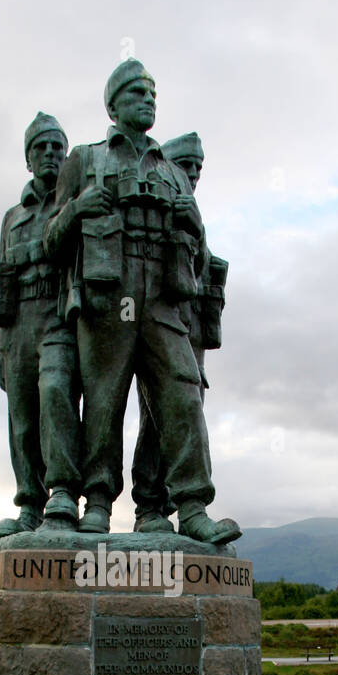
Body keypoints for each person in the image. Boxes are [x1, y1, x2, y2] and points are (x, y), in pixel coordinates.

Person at [42, 60, 240, 544]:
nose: (147, 100)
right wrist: (74, 210)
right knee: (104, 400)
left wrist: (194, 220)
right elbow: (52, 243)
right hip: (109, 293)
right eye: (135, 93)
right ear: (112, 106)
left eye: (151, 93)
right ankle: (98, 503)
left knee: (182, 391)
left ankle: (189, 507)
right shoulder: (84, 161)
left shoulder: (172, 170)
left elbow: (199, 244)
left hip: (162, 298)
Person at [0, 112, 83, 537]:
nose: (50, 154)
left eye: (57, 148)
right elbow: (0, 281)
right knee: (22, 416)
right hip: (17, 325)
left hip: (57, 314)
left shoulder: (73, 201)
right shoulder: (12, 217)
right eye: (41, 148)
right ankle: (29, 503)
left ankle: (63, 492)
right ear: (28, 159)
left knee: (55, 392)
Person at [131, 131, 228, 531]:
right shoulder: (155, 206)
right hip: (148, 317)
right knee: (154, 419)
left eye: (198, 169)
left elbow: (201, 271)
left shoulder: (193, 216)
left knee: (185, 407)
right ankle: (150, 505)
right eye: (186, 166)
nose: (192, 175)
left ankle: (178, 505)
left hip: (189, 332)